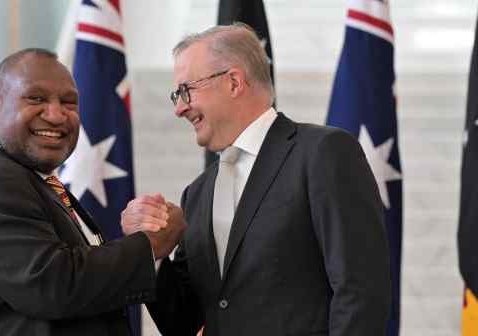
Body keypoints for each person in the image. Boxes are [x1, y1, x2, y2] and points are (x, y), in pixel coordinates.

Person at [122, 23, 391, 336]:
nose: (180, 108)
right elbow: (186, 322)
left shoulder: (322, 153)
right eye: (175, 96)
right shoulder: (197, 194)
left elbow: (360, 290)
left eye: (186, 90)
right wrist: (152, 254)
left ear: (234, 82)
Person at [0, 48, 184, 336]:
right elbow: (53, 285)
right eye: (36, 99)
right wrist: (150, 245)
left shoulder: (34, 180)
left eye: (68, 103)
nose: (56, 115)